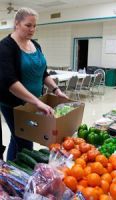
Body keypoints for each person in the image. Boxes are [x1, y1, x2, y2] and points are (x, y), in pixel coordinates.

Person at [0, 7, 68, 161]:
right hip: (14, 105)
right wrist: (37, 102)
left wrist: (56, 90)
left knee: (17, 138)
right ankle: (21, 178)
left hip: (33, 103)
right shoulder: (5, 47)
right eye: (28, 25)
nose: (32, 29)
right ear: (17, 24)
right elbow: (10, 82)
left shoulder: (35, 46)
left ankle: (10, 171)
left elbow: (43, 73)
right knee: (26, 143)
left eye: (34, 26)